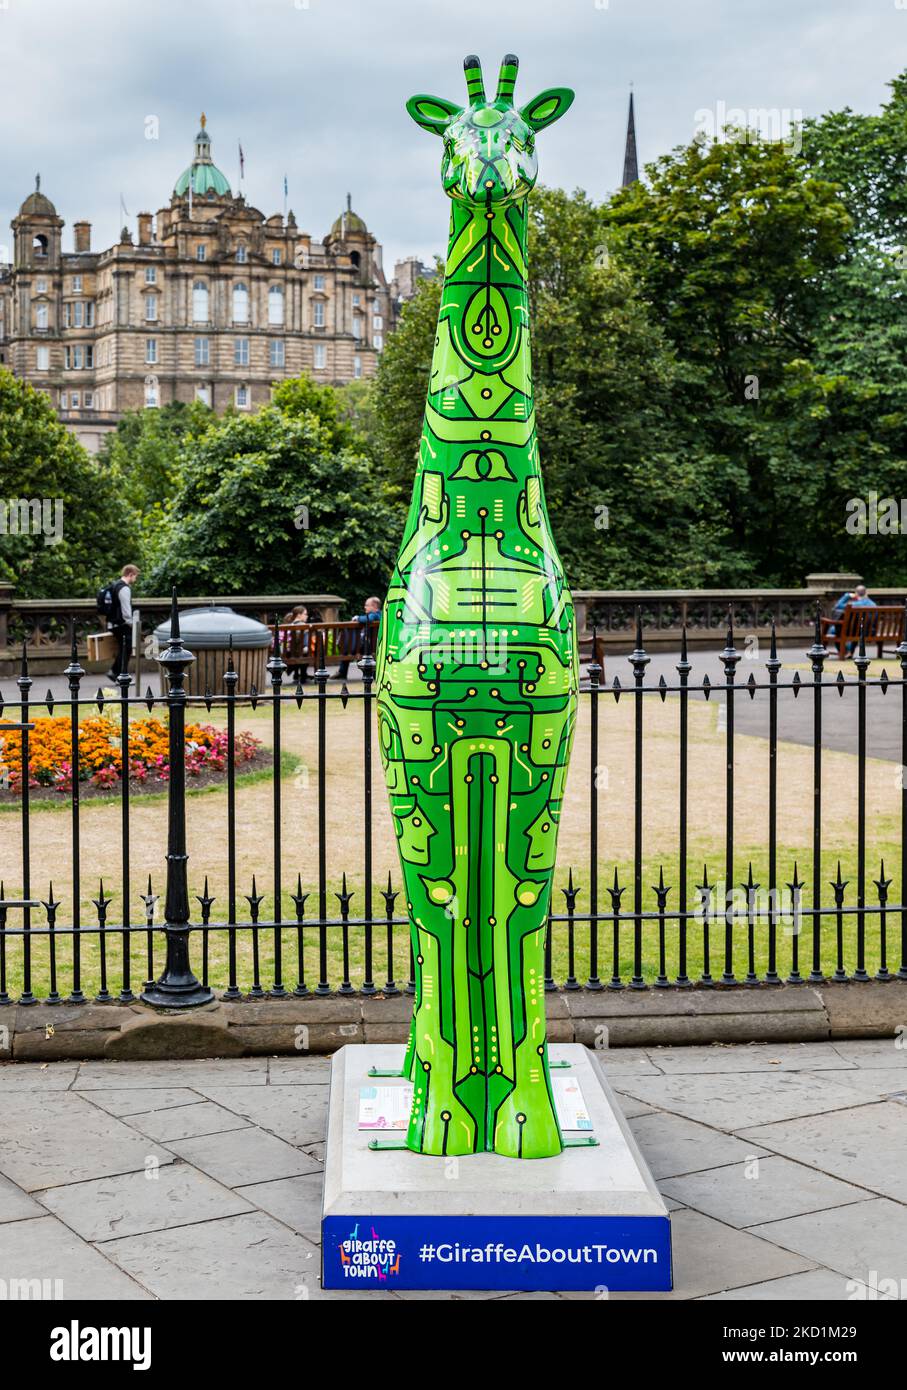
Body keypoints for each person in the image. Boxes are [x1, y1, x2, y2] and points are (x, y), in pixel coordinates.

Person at [105, 564, 140, 681]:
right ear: (130, 574)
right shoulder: (124, 588)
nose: (135, 579)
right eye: (135, 576)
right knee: (127, 649)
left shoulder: (114, 585)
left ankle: (115, 672)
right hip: (122, 625)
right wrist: (132, 625)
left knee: (123, 649)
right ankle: (119, 675)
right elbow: (126, 612)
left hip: (113, 623)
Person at [337, 597, 382, 679]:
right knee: (349, 647)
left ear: (374, 607)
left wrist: (357, 618)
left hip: (367, 647)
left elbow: (369, 619)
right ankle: (342, 672)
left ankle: (342, 672)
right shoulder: (382, 615)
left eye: (367, 605)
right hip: (375, 646)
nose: (365, 607)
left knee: (347, 649)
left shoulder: (374, 615)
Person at [829, 584, 876, 653]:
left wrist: (847, 596)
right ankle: (849, 651)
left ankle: (846, 651)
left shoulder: (855, 605)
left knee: (833, 629)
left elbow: (838, 606)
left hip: (856, 632)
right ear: (866, 593)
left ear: (856, 594)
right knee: (855, 629)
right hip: (870, 632)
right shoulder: (873, 604)